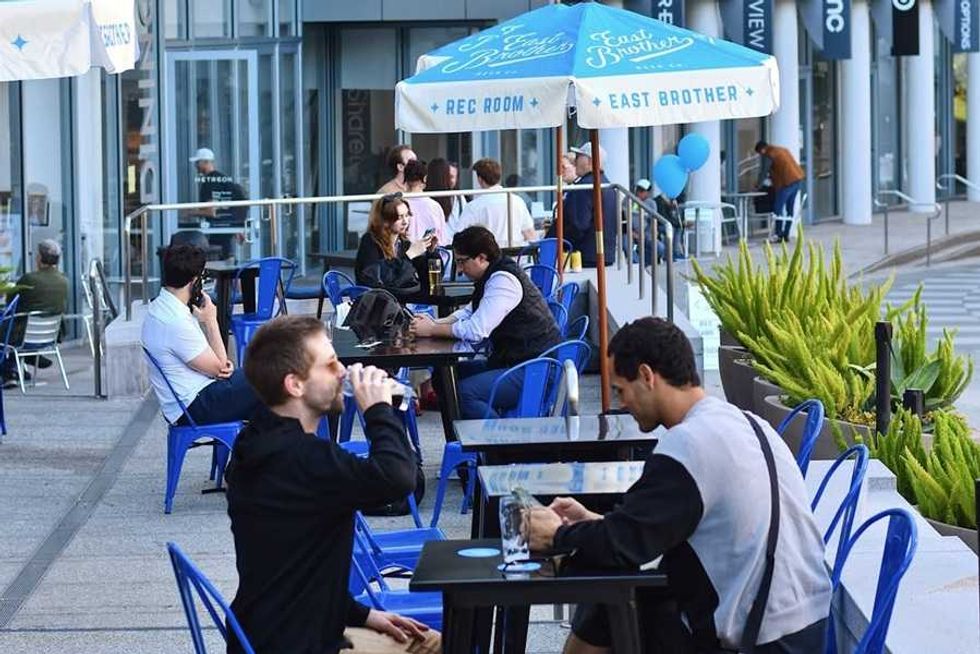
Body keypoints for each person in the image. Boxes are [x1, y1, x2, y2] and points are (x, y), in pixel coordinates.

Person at [526, 317, 832, 654]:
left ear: (646, 376)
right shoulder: (744, 422)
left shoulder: (689, 445)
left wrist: (556, 535)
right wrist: (597, 524)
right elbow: (644, 532)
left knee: (612, 607)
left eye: (621, 390)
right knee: (621, 604)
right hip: (805, 627)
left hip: (758, 641)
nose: (621, 404)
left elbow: (624, 545)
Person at [225, 315, 440, 654]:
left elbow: (291, 573)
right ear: (295, 384)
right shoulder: (304, 459)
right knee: (442, 644)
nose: (343, 371)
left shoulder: (257, 442)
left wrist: (364, 614)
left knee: (425, 640)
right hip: (303, 644)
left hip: (269, 631)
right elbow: (399, 478)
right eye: (330, 364)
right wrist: (380, 410)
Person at [411, 226, 561, 419]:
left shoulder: (503, 281)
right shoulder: (494, 275)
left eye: (462, 262)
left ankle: (498, 445)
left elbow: (476, 330)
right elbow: (471, 311)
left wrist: (432, 329)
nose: (460, 270)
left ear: (481, 258)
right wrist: (435, 322)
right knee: (444, 377)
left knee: (464, 394)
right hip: (517, 361)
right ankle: (464, 443)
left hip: (535, 370)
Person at [141, 245, 261, 425]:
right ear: (195, 281)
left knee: (269, 385)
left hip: (189, 399)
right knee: (271, 379)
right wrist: (211, 321)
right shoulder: (175, 321)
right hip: (195, 404)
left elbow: (218, 368)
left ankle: (261, 446)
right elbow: (221, 369)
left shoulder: (160, 307)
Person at [4, 239, 69, 383]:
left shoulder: (29, 279)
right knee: (17, 324)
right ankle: (26, 360)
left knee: (7, 324)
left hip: (23, 335)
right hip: (49, 336)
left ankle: (9, 371)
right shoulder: (64, 281)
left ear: (39, 257)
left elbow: (11, 302)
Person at [354, 193, 437, 300]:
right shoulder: (370, 241)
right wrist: (409, 255)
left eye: (407, 215)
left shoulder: (403, 243)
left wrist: (431, 253)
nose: (405, 222)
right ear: (385, 221)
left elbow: (425, 278)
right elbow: (381, 281)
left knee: (444, 299)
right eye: (399, 217)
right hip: (377, 303)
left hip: (400, 299)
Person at [548, 142, 617, 266]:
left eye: (579, 157)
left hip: (583, 257)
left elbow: (578, 224)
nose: (575, 161)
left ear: (589, 161)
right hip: (605, 255)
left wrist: (560, 246)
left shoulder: (585, 186)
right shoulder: (607, 185)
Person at [447, 158, 536, 248]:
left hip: (488, 258)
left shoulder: (474, 206)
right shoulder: (517, 201)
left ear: (480, 179)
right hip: (516, 257)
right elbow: (530, 235)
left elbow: (458, 236)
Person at [187, 147, 247, 258]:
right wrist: (238, 225)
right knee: (226, 255)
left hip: (218, 227)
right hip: (227, 225)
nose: (196, 166)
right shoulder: (222, 179)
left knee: (217, 256)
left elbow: (211, 211)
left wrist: (190, 212)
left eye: (198, 163)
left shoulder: (210, 182)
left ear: (206, 162)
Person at [755, 141, 804, 243]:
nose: (761, 156)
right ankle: (785, 234)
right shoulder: (782, 150)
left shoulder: (770, 154)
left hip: (787, 182)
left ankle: (778, 234)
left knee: (777, 209)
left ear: (762, 150)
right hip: (797, 179)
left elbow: (764, 171)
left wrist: (757, 186)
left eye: (760, 153)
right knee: (789, 208)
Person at [403, 160, 446, 244]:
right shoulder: (434, 207)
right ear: (425, 178)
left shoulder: (398, 204)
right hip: (429, 252)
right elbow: (442, 239)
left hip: (405, 254)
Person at [424, 158, 459, 226]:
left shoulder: (458, 198)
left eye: (452, 177)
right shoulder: (425, 199)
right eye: (448, 176)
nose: (450, 180)